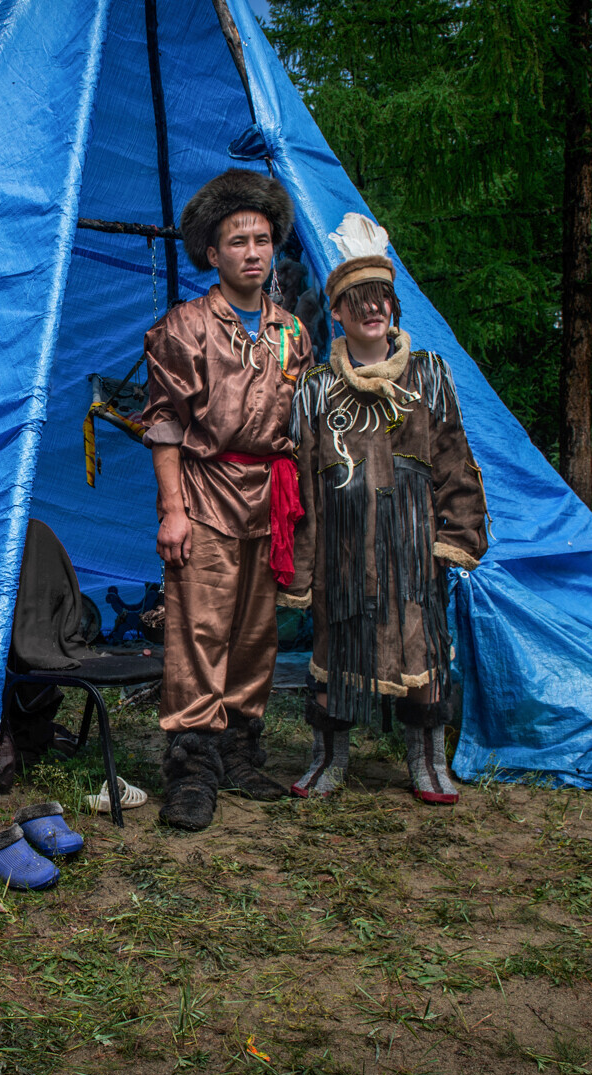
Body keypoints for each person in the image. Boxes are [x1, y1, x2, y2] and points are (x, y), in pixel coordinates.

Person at [280, 215, 488, 803]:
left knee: (422, 653)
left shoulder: (429, 376)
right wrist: (303, 565)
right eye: (358, 301)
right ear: (339, 312)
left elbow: (455, 462)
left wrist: (454, 537)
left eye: (381, 300)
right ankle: (328, 758)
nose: (372, 311)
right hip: (344, 551)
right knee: (335, 654)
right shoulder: (317, 389)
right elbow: (302, 484)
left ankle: (427, 761)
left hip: (413, 548)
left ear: (393, 308)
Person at [138, 169, 314, 831]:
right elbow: (162, 424)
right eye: (237, 240)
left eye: (262, 240)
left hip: (270, 497)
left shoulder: (292, 333)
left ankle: (240, 752)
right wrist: (172, 510)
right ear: (211, 254)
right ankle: (191, 769)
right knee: (198, 631)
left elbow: (299, 420)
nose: (252, 252)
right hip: (205, 491)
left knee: (254, 633)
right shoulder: (183, 328)